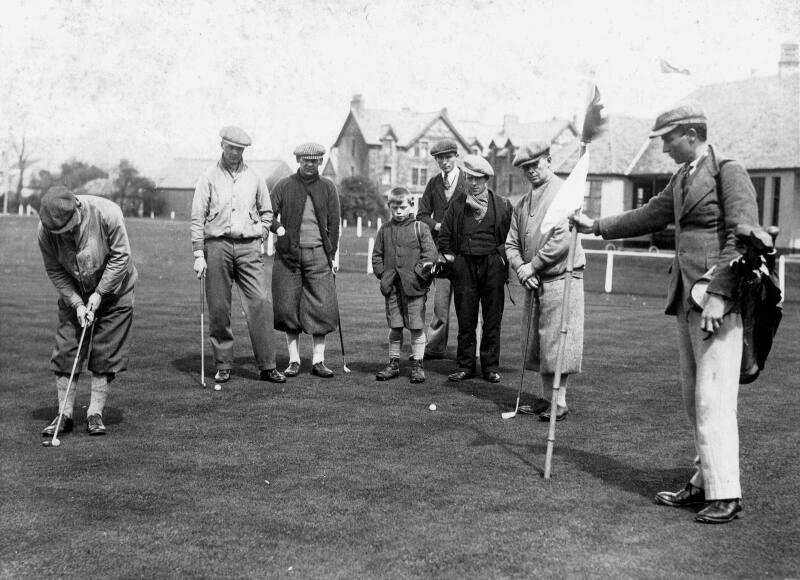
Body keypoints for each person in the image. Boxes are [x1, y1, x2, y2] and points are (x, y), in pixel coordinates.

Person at [572, 104, 759, 524]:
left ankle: (726, 493)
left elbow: (744, 237)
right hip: (685, 299)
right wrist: (595, 225)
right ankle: (703, 479)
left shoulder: (728, 170)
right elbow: (648, 215)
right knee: (695, 400)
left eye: (668, 139)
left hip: (715, 302)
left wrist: (719, 294)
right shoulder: (683, 177)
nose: (663, 149)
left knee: (714, 400)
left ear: (691, 133)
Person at [38, 186, 137, 437]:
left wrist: (100, 293)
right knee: (65, 350)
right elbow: (55, 270)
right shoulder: (45, 232)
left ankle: (95, 413)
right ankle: (64, 415)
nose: (67, 233)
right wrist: (77, 303)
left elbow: (121, 257)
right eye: (60, 231)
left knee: (105, 352)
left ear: (77, 209)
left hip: (116, 290)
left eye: (69, 227)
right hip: (75, 291)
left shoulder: (108, 213)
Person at [191, 126, 285, 385]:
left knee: (260, 303)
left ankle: (267, 366)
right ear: (221, 145)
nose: (235, 153)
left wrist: (262, 233)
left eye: (240, 149)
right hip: (217, 246)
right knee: (219, 308)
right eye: (231, 147)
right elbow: (197, 218)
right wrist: (199, 253)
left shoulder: (254, 177)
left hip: (248, 247)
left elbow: (267, 212)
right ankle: (223, 364)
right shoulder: (208, 177)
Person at [506, 142, 585, 422]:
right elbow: (511, 242)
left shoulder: (565, 193)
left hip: (561, 276)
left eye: (535, 165)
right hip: (534, 279)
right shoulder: (523, 202)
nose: (530, 172)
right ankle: (545, 398)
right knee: (537, 341)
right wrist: (521, 268)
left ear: (549, 161)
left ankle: (559, 402)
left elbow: (563, 238)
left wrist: (534, 266)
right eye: (525, 168)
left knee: (557, 340)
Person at [438, 154, 513, 383]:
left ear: (486, 179)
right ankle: (465, 366)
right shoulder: (457, 205)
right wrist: (455, 261)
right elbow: (444, 238)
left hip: (492, 266)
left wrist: (500, 259)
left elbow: (511, 237)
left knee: (492, 320)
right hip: (465, 266)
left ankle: (490, 367)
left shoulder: (502, 205)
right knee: (466, 319)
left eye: (478, 179)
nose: (473, 183)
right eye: (470, 178)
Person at [270, 142, 341, 378]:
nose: (310, 164)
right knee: (287, 306)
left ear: (320, 161)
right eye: (305, 160)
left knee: (322, 306)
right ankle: (293, 360)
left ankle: (319, 361)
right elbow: (266, 212)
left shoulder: (328, 187)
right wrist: (278, 229)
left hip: (319, 254)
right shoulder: (284, 185)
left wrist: (332, 255)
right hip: (288, 255)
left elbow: (334, 224)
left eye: (314, 160)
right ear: (298, 160)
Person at [372, 188, 438, 383]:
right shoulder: (384, 229)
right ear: (390, 207)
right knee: (395, 326)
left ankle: (418, 365)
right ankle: (393, 364)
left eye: (402, 207)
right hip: (392, 287)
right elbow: (376, 256)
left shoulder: (421, 227)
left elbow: (430, 255)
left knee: (416, 327)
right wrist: (383, 275)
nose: (399, 211)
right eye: (395, 207)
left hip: (415, 287)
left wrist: (419, 275)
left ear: (411, 206)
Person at [416, 139, 467, 359]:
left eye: (448, 157)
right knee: (440, 304)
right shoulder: (434, 183)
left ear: (456, 156)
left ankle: (469, 351)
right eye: (440, 159)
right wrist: (438, 225)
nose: (445, 162)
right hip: (441, 252)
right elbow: (421, 215)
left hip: (466, 252)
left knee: (468, 304)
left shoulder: (469, 180)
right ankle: (435, 347)